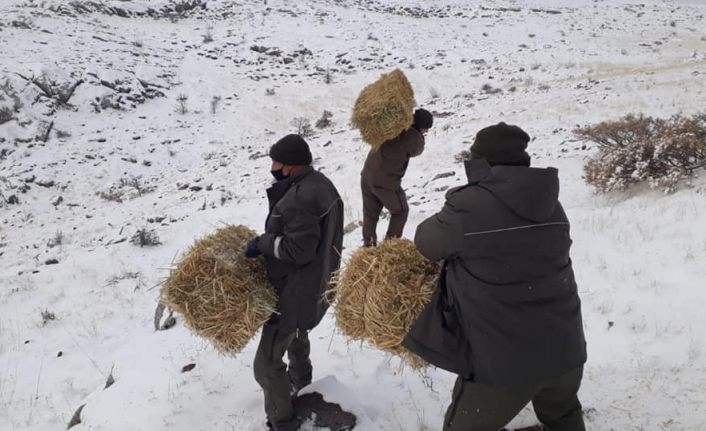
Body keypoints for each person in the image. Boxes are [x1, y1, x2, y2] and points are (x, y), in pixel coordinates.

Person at [403, 123, 587, 431]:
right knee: (563, 418)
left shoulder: (468, 207)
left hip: (504, 364)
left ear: (480, 163)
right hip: (565, 351)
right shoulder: (552, 205)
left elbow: (425, 243)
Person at [244, 134, 344, 431]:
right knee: (298, 337)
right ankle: (303, 386)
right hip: (314, 283)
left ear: (289, 166)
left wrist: (263, 243)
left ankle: (283, 422)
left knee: (266, 364)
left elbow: (298, 250)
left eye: (275, 161)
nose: (272, 166)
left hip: (294, 290)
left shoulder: (300, 198)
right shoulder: (319, 185)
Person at [360, 108, 433, 246]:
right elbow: (417, 151)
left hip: (367, 175)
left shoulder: (393, 125)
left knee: (370, 215)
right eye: (426, 129)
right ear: (420, 126)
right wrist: (419, 135)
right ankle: (389, 249)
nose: (426, 132)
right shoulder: (413, 137)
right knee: (401, 211)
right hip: (385, 182)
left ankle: (368, 248)